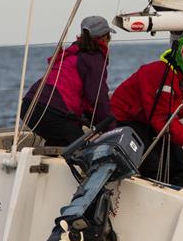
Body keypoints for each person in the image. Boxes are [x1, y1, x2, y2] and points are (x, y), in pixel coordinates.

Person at [110, 31, 183, 187]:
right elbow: (162, 118)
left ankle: (181, 196)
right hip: (128, 120)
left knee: (179, 169)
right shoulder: (159, 75)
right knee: (154, 166)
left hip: (160, 121)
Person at [21, 15, 115, 147]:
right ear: (105, 37)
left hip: (29, 106)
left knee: (61, 141)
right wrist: (111, 128)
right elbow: (97, 97)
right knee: (80, 149)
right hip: (51, 111)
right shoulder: (94, 58)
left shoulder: (72, 52)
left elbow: (86, 99)